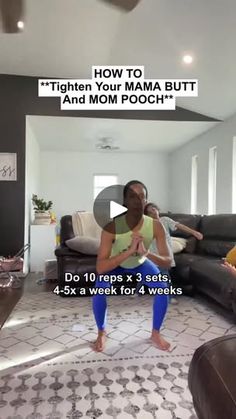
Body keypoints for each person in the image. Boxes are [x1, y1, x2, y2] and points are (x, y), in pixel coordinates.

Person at [92, 180, 172, 352]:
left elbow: (168, 261)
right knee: (99, 288)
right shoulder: (111, 227)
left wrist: (146, 253)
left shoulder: (156, 226)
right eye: (132, 197)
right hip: (116, 263)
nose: (137, 201)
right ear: (125, 201)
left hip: (141, 263)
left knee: (162, 288)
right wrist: (128, 252)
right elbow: (100, 267)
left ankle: (156, 333)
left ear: (146, 201)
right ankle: (101, 331)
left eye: (141, 197)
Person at [144, 202, 203, 274]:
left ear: (157, 209)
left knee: (163, 278)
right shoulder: (147, 224)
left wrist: (194, 232)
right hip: (152, 258)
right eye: (149, 212)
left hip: (165, 258)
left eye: (153, 209)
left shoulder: (165, 220)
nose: (153, 213)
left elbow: (180, 225)